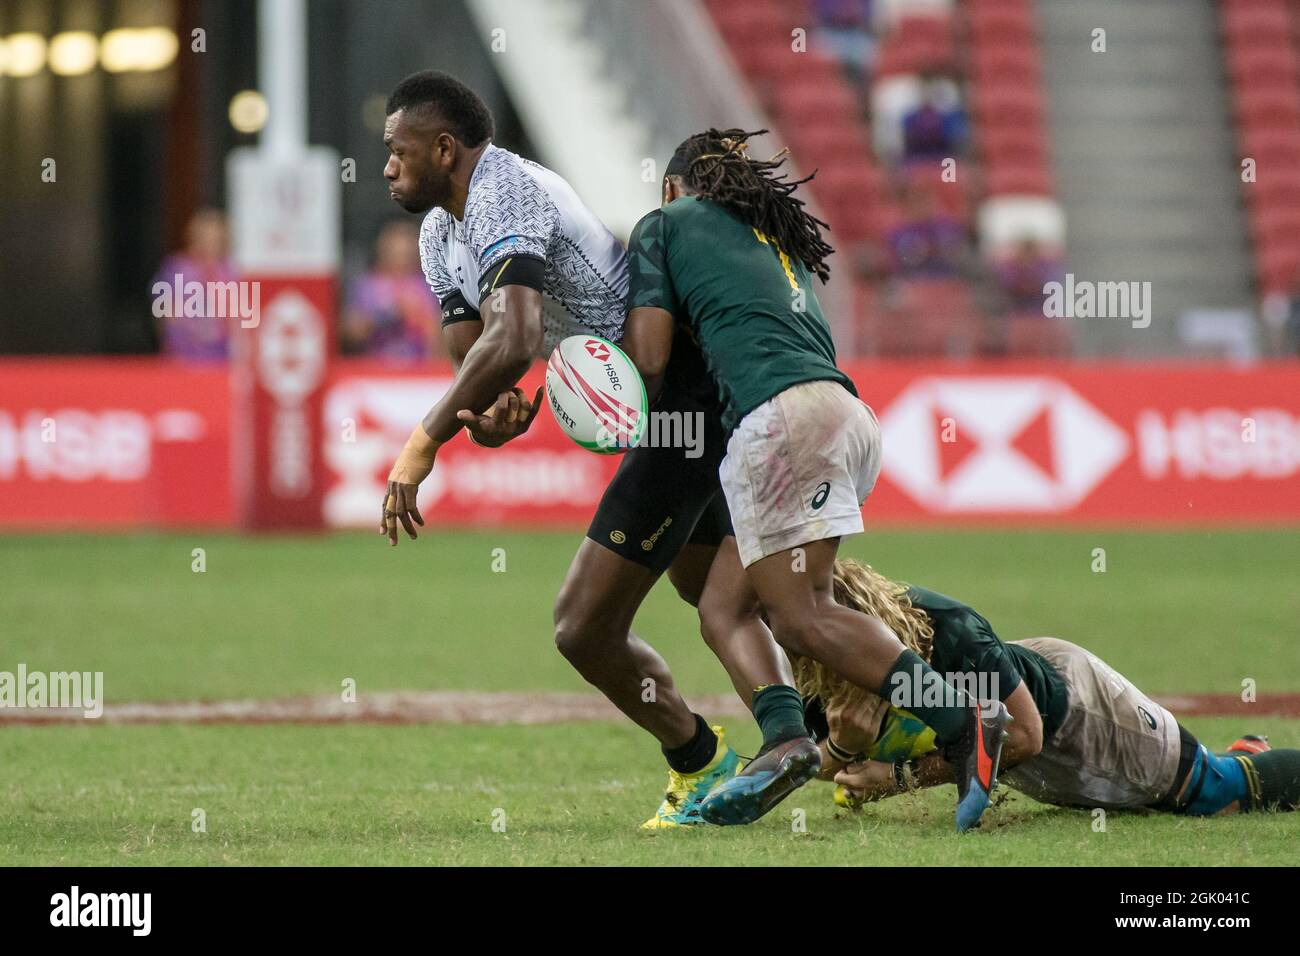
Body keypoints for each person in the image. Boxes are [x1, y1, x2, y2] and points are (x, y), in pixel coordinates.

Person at [377, 72, 807, 828]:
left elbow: (511, 337)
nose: (384, 167)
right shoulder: (438, 233)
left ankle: (703, 762)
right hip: (649, 410)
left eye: (395, 150)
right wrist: (492, 408)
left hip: (678, 391)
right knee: (730, 594)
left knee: (584, 625)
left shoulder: (502, 187)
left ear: (444, 148)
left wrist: (425, 441)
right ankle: (870, 720)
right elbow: (479, 352)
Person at [620, 128, 1008, 831]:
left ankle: (961, 721)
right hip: (846, 417)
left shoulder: (665, 222)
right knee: (729, 606)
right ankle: (787, 742)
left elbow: (647, 357)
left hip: (779, 424)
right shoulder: (769, 239)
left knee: (799, 614)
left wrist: (604, 372)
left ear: (673, 187)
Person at [803, 560, 1300, 819]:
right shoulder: (818, 663)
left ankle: (1236, 763)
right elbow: (821, 764)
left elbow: (1023, 737)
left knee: (1215, 793)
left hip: (1069, 712)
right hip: (1015, 742)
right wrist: (843, 747)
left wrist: (900, 778)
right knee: (1146, 804)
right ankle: (1245, 747)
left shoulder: (946, 631)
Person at [341, 220, 440, 361]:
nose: (402, 257)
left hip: (419, 371)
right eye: (396, 250)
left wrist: (421, 318)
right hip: (374, 369)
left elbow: (441, 336)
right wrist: (390, 313)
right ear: (382, 249)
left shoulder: (431, 285)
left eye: (407, 251)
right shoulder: (365, 286)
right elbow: (351, 333)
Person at [154, 209, 237, 362]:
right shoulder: (176, 268)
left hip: (225, 360)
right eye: (204, 236)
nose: (209, 241)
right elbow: (166, 315)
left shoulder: (233, 271)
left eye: (215, 236)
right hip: (184, 358)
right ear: (193, 237)